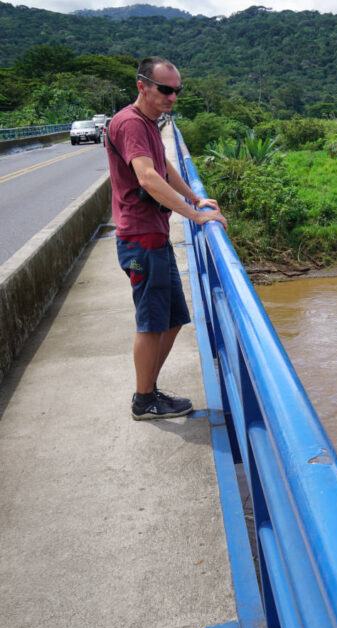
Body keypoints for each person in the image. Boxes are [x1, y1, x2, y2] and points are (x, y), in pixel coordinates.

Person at [106, 56, 227, 420]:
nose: (172, 96)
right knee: (151, 322)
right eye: (165, 89)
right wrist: (196, 216)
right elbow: (147, 178)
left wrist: (194, 197)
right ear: (142, 85)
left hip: (154, 237)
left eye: (177, 90)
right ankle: (144, 401)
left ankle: (150, 390)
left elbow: (164, 167)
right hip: (141, 240)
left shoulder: (150, 122)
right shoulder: (130, 123)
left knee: (173, 318)